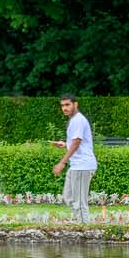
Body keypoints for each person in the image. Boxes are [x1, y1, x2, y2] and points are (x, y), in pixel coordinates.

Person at [55, 94, 97, 222]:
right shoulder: (73, 120)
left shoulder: (78, 120)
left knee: (79, 202)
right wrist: (65, 144)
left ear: (75, 104)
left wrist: (62, 162)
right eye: (62, 105)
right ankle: (79, 223)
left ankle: (85, 229)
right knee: (68, 197)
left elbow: (77, 142)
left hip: (83, 166)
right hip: (76, 166)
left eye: (67, 105)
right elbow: (76, 143)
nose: (64, 108)